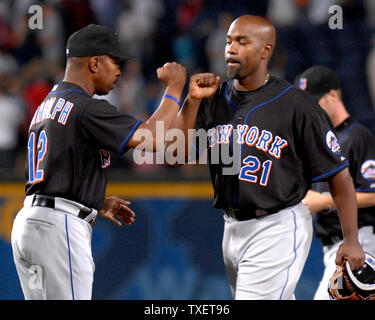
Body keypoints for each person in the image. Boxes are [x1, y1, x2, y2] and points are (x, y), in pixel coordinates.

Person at [169, 14, 365, 299]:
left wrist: (351, 239)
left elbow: (339, 174)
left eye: (242, 41)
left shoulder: (296, 105)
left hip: (277, 226)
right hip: (232, 226)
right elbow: (176, 154)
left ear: (266, 50)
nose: (230, 49)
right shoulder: (213, 98)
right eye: (228, 41)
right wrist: (191, 101)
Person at [11, 24, 187, 300]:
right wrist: (175, 87)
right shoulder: (85, 106)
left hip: (31, 223)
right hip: (59, 228)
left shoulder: (48, 103)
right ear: (94, 62)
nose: (118, 70)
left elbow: (53, 168)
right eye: (114, 61)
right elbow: (154, 138)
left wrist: (93, 200)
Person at [299, 65, 375, 300]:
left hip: (361, 244)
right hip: (336, 246)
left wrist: (322, 201)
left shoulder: (357, 136)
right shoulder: (322, 141)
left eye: (315, 101)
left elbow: (373, 194)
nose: (311, 109)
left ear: (333, 95)